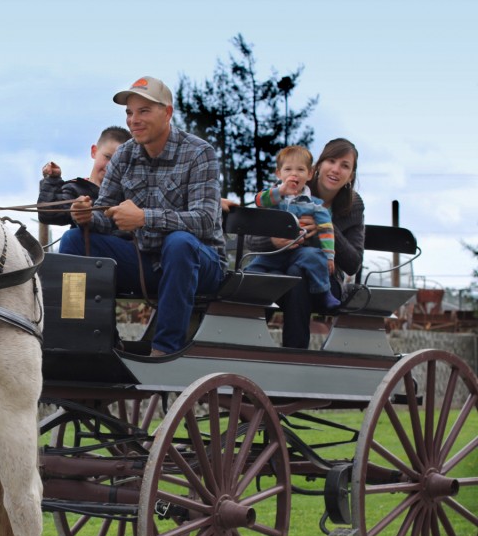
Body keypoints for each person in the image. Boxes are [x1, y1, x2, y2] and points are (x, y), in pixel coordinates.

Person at [61, 76, 226, 356]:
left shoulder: (200, 153)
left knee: (179, 243)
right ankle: (86, 339)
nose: (133, 120)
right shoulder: (124, 155)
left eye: (144, 111)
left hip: (199, 265)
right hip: (145, 262)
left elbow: (205, 220)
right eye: (129, 112)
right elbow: (106, 216)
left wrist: (145, 218)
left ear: (168, 113)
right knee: (74, 240)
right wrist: (87, 216)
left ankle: (164, 350)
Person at [246, 138, 366, 348]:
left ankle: (295, 352)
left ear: (351, 175)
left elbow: (353, 264)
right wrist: (273, 239)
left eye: (345, 165)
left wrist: (326, 227)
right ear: (317, 166)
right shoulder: (292, 184)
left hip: (325, 283)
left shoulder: (353, 205)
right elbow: (250, 238)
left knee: (297, 274)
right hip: (278, 271)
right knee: (262, 278)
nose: (336, 169)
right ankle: (247, 347)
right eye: (331, 161)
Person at [245, 145, 341, 310]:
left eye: (300, 170)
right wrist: (281, 190)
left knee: (315, 257)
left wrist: (329, 255)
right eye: (288, 169)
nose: (293, 174)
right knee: (254, 267)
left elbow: (326, 230)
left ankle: (324, 292)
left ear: (310, 174)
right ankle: (244, 292)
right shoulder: (274, 198)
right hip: (274, 254)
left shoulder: (315, 205)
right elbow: (259, 200)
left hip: (299, 253)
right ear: (279, 173)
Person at [37, 126, 131, 231]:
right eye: (107, 157)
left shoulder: (128, 194)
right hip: (82, 245)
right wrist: (52, 180)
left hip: (115, 245)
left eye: (118, 161)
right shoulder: (76, 188)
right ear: (94, 151)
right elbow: (48, 215)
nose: (111, 166)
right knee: (71, 237)